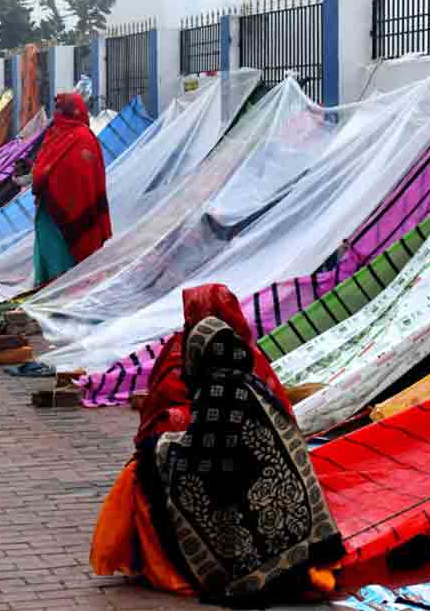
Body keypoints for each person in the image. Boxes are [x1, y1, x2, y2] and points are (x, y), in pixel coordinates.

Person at [90, 284, 343, 604]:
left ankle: (178, 568)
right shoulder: (248, 376)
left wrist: (161, 449)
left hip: (257, 531)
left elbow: (214, 469)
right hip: (296, 527)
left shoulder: (216, 389)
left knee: (142, 475)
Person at [32, 92, 111, 287]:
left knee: (55, 255)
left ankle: (55, 291)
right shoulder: (84, 137)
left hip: (52, 210)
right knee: (63, 255)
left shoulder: (58, 135)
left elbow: (41, 172)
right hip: (70, 211)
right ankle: (64, 292)